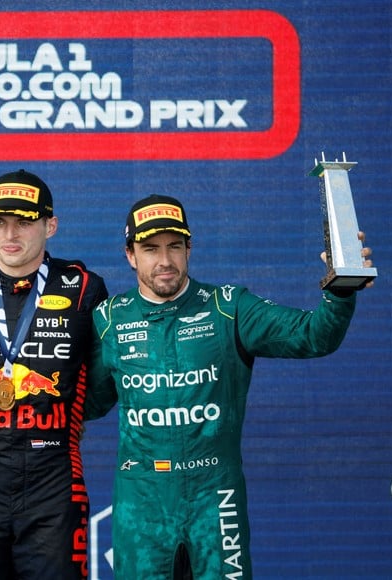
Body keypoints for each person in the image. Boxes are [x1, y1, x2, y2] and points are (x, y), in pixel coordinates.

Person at [84, 194, 375, 579]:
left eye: (174, 246)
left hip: (215, 496)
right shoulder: (109, 320)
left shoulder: (229, 307)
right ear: (130, 256)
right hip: (142, 502)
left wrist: (341, 288)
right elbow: (86, 403)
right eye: (150, 249)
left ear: (190, 248)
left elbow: (314, 336)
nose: (165, 260)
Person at [0, 169, 109, 579]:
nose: (10, 233)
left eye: (25, 221)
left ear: (50, 225)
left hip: (53, 478)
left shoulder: (84, 287)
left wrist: (67, 419)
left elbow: (106, 377)